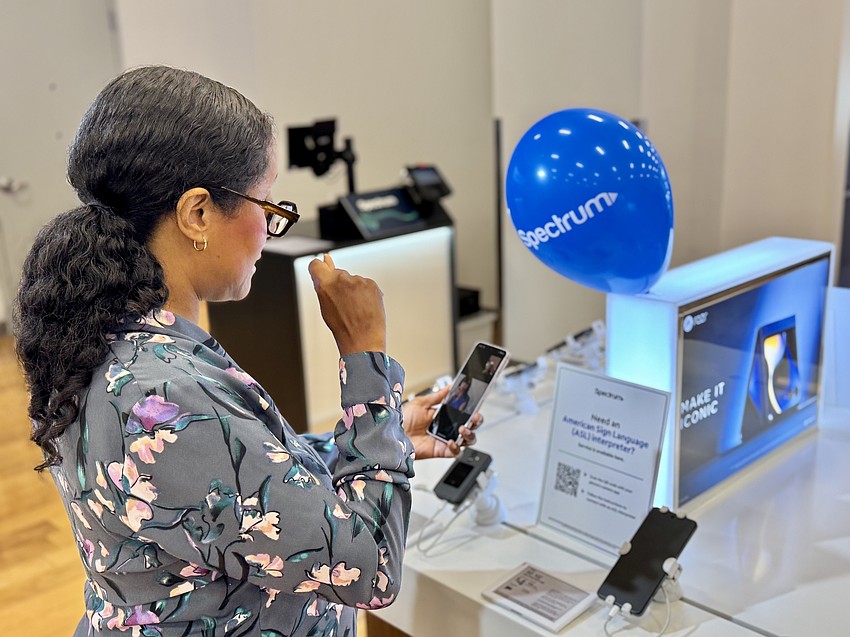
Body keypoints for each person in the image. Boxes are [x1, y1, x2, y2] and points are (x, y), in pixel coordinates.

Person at [13, 65, 478, 637]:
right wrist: (366, 361)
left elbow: (230, 489)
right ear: (198, 214)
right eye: (266, 203)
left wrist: (378, 433)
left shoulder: (106, 339)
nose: (268, 227)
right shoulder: (166, 393)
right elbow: (370, 569)